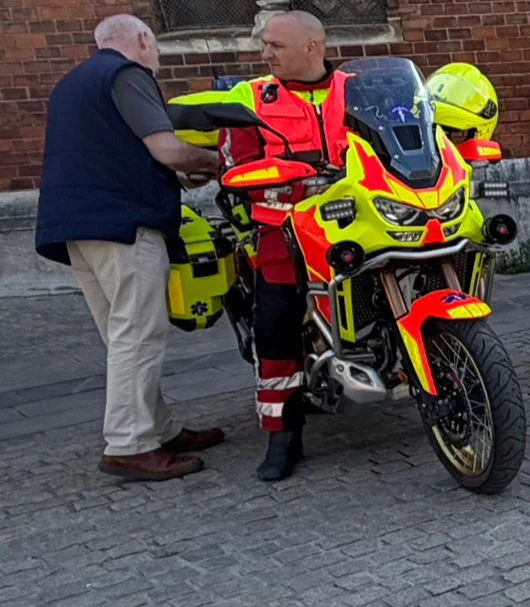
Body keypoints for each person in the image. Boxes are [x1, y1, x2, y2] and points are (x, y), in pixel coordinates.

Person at [36, 15, 226, 481]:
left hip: (75, 224)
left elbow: (114, 154)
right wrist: (220, 162)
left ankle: (157, 428)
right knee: (138, 334)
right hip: (124, 223)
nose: (155, 55)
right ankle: (129, 444)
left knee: (123, 334)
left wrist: (179, 176)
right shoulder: (127, 74)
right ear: (142, 39)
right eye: (154, 44)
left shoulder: (71, 84)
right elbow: (168, 151)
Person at [188, 11, 346, 481]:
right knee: (274, 322)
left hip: (357, 217)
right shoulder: (251, 97)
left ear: (312, 47)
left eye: (276, 45)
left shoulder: (358, 89)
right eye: (265, 44)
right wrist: (279, 181)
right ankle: (283, 434)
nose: (265, 53)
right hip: (284, 228)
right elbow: (235, 166)